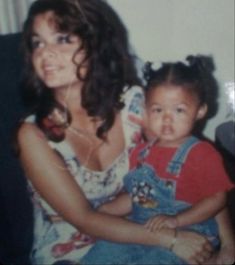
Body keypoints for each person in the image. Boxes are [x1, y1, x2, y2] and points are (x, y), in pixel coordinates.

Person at [16, 0, 232, 264]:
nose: (45, 53)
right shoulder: (33, 135)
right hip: (76, 250)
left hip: (150, 226)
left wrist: (229, 246)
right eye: (37, 43)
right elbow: (84, 219)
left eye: (62, 39)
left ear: (95, 45)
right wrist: (173, 240)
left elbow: (195, 166)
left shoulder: (134, 104)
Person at [81, 56, 235, 265]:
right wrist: (108, 210)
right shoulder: (141, 152)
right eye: (158, 109)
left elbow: (218, 199)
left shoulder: (202, 154)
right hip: (144, 228)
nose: (167, 119)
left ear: (200, 111)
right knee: (101, 253)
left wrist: (177, 220)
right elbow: (142, 196)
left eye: (179, 110)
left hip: (189, 231)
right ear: (146, 110)